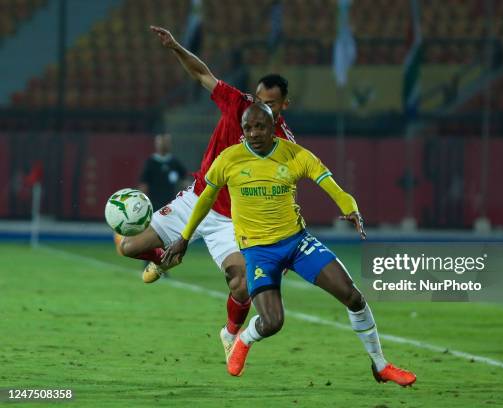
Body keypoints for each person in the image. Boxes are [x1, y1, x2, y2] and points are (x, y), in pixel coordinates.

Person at [162, 103, 417, 387]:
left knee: (353, 296)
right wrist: (184, 238)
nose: (254, 133)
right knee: (272, 322)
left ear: (273, 128)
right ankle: (245, 339)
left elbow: (333, 186)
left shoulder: (295, 155)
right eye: (248, 128)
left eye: (260, 127)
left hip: (297, 243)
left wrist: (351, 208)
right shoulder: (228, 159)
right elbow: (205, 200)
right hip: (258, 251)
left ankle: (380, 365)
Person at [115, 25, 296, 360]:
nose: (262, 109)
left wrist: (284, 243)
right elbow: (202, 74)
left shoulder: (285, 144)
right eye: (259, 100)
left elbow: (285, 193)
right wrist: (175, 47)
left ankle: (229, 333)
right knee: (128, 247)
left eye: (271, 104)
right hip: (198, 199)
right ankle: (163, 260)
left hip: (233, 220)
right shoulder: (237, 104)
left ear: (284, 105)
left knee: (241, 283)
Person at [138, 133, 188, 211]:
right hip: (154, 204)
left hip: (170, 204)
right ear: (156, 144)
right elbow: (144, 184)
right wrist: (143, 202)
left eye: (166, 142)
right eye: (161, 142)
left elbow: (185, 181)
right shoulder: (151, 162)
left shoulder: (174, 162)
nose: (163, 144)